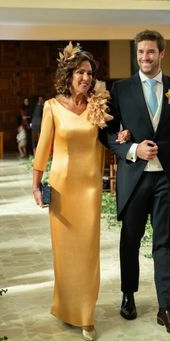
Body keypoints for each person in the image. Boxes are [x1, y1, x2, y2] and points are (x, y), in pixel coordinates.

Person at [107, 30, 170, 336]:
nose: (145, 57)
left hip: (166, 180)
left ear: (161, 54)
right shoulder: (121, 89)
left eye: (150, 52)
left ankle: (165, 308)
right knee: (130, 240)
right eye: (140, 52)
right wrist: (132, 149)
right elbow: (105, 134)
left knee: (165, 244)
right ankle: (128, 294)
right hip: (134, 178)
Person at [32, 42, 114, 341]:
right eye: (80, 72)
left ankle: (86, 315)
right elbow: (43, 148)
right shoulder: (52, 106)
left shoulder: (98, 104)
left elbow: (109, 138)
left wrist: (123, 136)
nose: (86, 78)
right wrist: (36, 185)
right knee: (65, 255)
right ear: (68, 74)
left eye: (89, 73)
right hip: (62, 188)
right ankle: (66, 307)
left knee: (88, 254)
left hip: (90, 189)